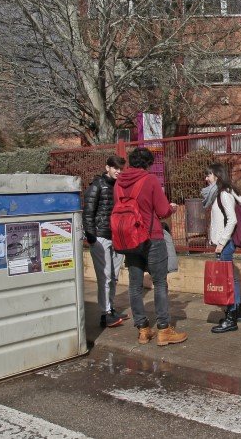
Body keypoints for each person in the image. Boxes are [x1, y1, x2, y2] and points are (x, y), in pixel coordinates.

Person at [117, 147, 187, 346]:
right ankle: (164, 330)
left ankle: (143, 330)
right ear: (148, 163)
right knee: (160, 283)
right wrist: (172, 208)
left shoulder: (119, 183)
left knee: (135, 286)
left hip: (129, 239)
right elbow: (163, 211)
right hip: (151, 237)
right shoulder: (150, 180)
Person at [83, 155, 127, 328]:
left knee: (113, 277)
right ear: (107, 167)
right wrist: (91, 237)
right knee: (105, 276)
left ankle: (111, 308)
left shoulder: (119, 186)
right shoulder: (96, 186)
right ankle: (105, 313)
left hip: (116, 236)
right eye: (115, 168)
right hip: (100, 236)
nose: (118, 171)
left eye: (121, 168)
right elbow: (88, 212)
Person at [203, 162, 241, 333]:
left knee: (226, 280)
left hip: (225, 244)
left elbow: (232, 220)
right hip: (225, 243)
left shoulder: (224, 194)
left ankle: (230, 319)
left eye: (208, 175)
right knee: (231, 278)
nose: (206, 178)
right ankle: (237, 312)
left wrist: (221, 242)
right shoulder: (220, 193)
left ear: (217, 176)